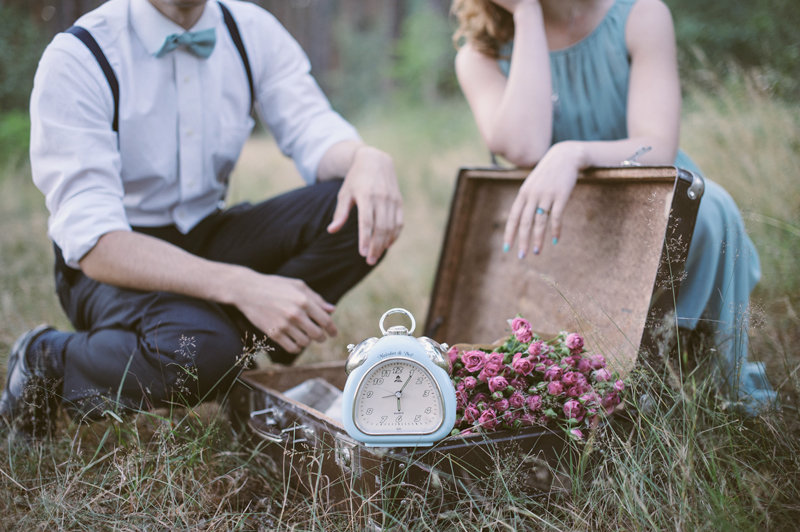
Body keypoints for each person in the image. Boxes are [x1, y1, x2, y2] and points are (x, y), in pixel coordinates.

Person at [0, 0, 403, 434]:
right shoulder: (80, 54)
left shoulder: (250, 29)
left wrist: (366, 157)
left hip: (206, 232)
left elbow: (313, 129)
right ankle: (50, 359)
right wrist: (243, 286)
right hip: (112, 265)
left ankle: (229, 349)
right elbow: (96, 243)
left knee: (361, 209)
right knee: (200, 350)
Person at [452, 0, 776, 413]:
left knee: (711, 208)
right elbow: (525, 146)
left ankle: (696, 382)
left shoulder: (639, 15)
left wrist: (574, 153)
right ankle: (612, 389)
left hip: (651, 200)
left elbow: (658, 145)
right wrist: (526, 13)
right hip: (564, 224)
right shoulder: (479, 55)